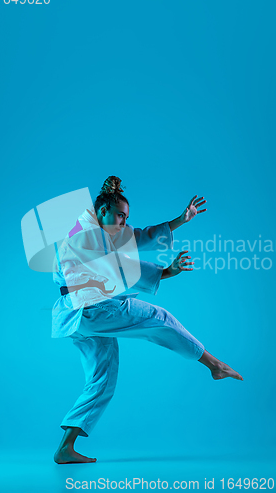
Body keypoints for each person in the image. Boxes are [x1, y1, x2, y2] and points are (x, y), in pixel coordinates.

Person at [53, 176, 243, 465]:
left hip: (79, 316)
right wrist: (166, 271)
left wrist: (181, 220)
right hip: (89, 309)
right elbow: (118, 266)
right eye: (120, 215)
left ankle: (65, 448)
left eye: (126, 217)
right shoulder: (87, 237)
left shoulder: (101, 232)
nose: (124, 222)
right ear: (101, 210)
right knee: (158, 317)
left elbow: (139, 236)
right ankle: (214, 364)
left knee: (102, 379)